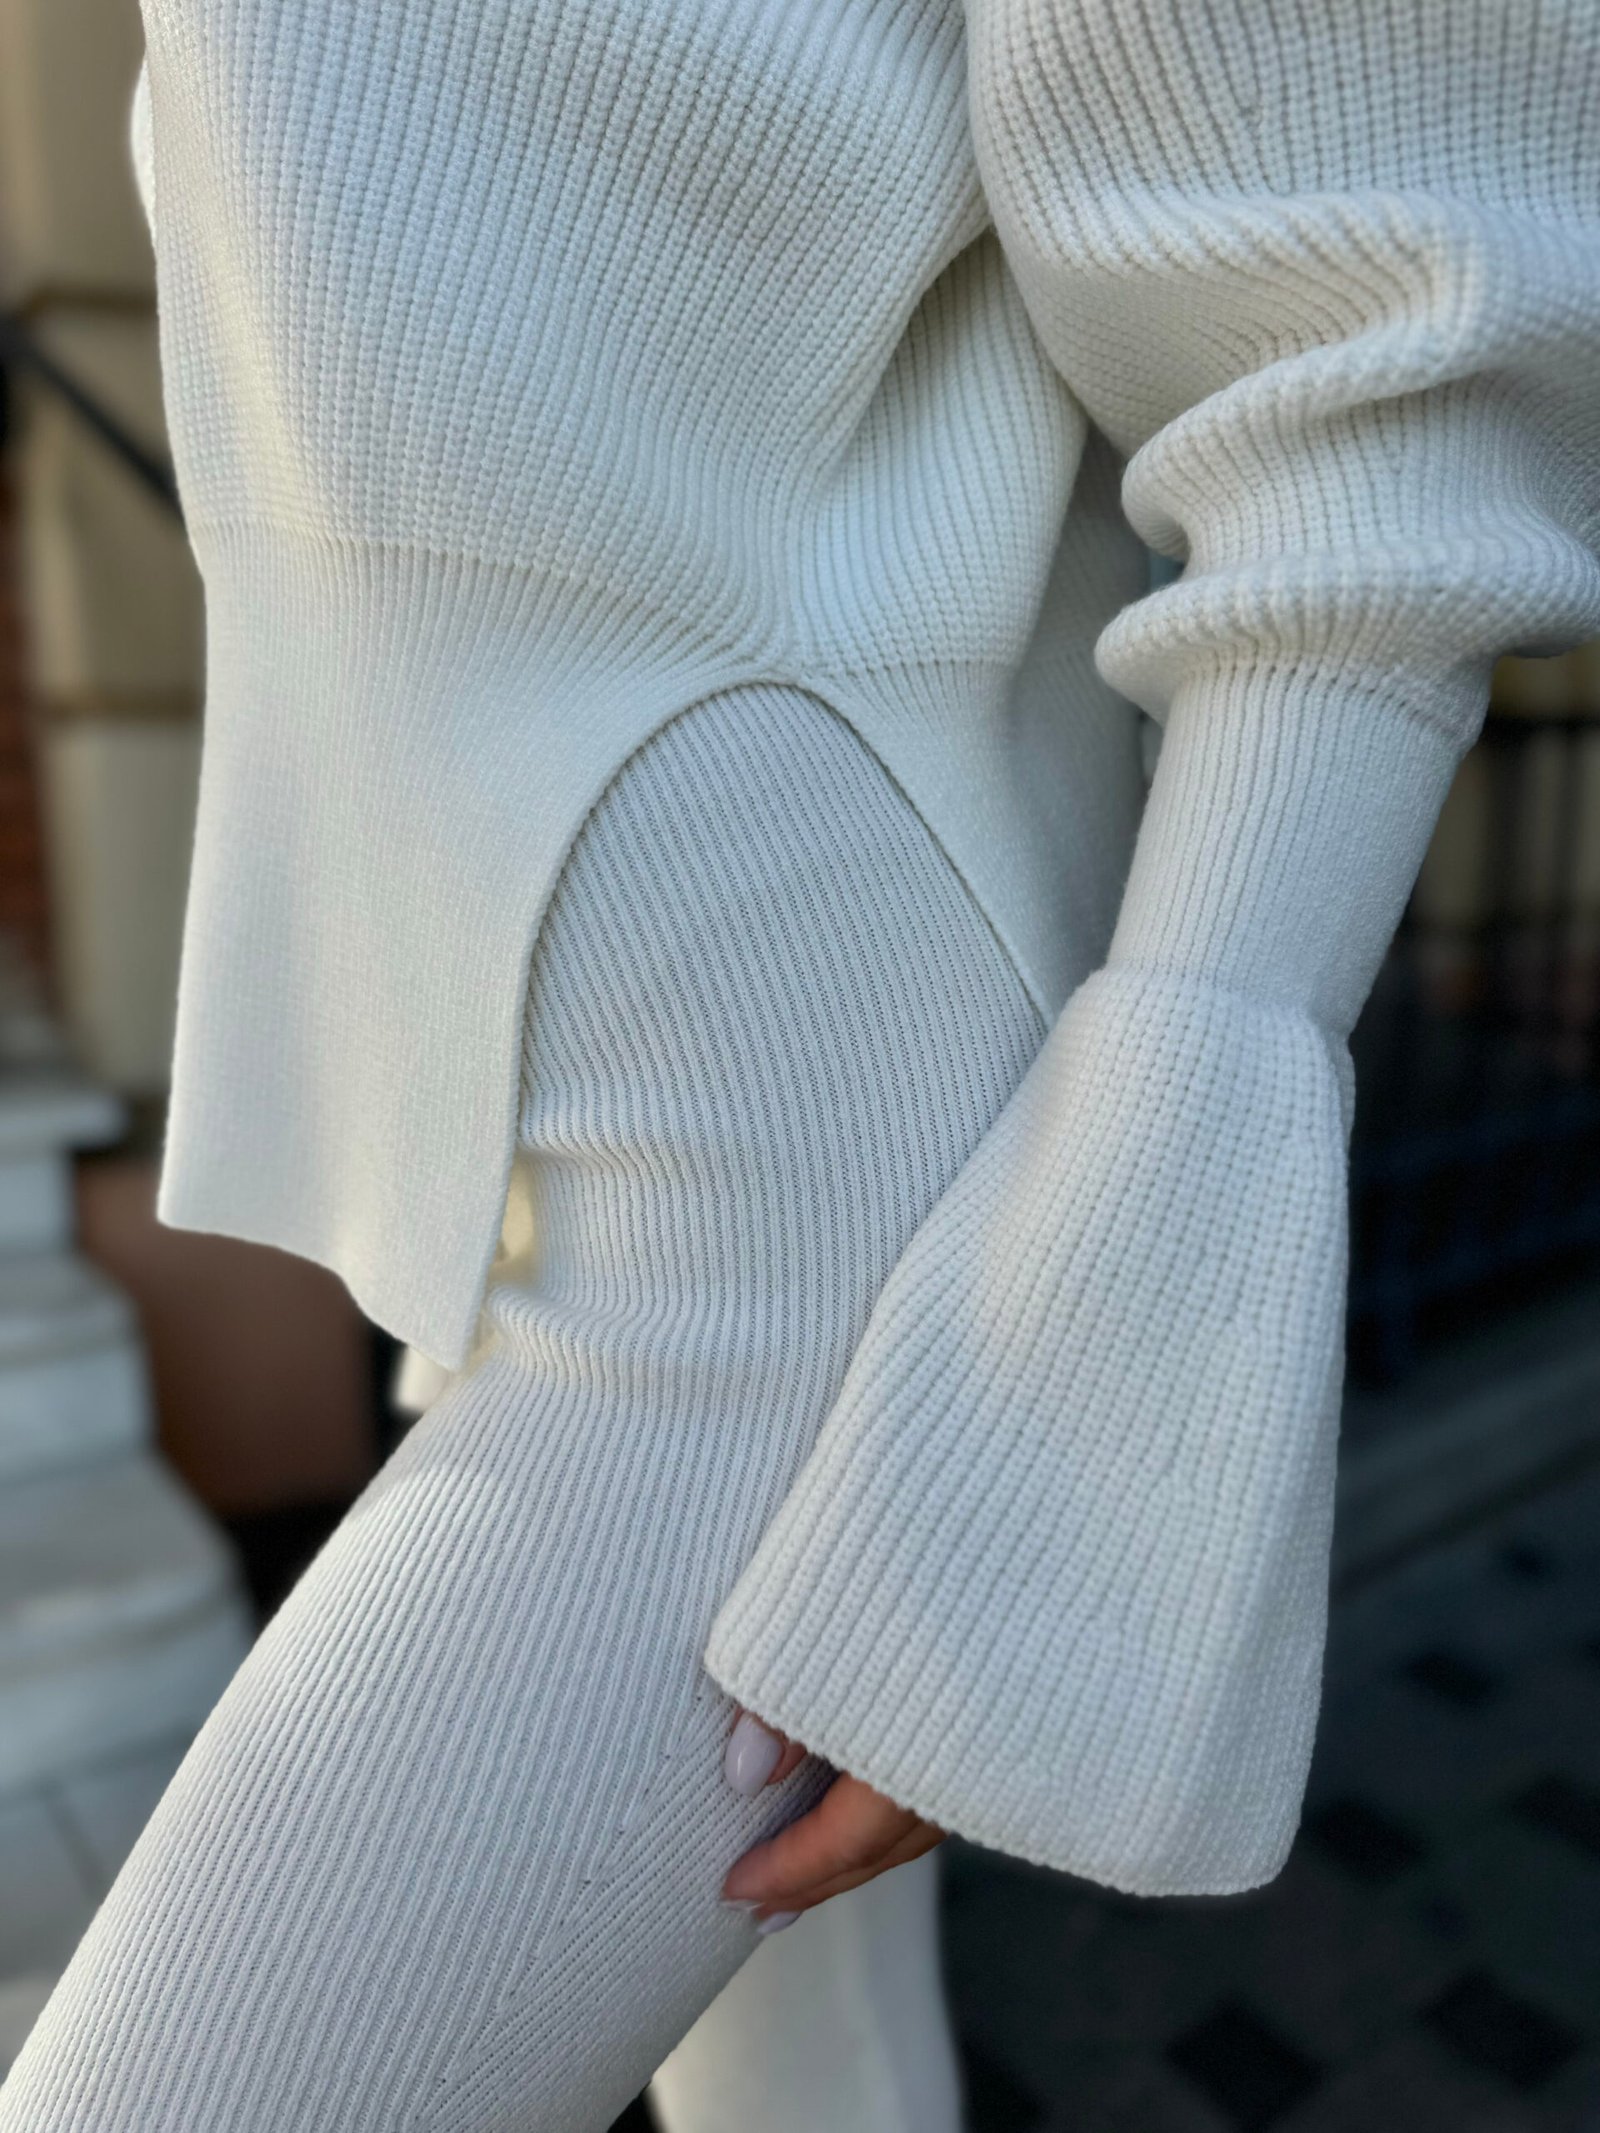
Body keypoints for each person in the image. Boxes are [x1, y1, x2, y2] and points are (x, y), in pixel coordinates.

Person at [4, 2, 1598, 2128]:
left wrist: (1148, 1205)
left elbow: (1374, 260)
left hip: (795, 994)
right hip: (557, 917)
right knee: (804, 2046)